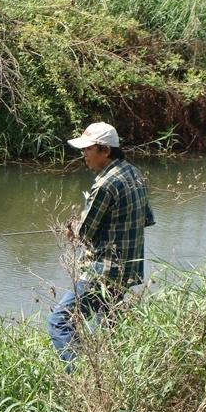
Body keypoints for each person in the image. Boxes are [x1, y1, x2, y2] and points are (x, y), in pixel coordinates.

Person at [48, 121, 155, 365]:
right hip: (127, 271)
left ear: (105, 151)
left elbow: (84, 233)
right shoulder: (134, 173)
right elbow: (147, 219)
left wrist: (71, 228)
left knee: (60, 321)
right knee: (106, 331)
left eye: (88, 149)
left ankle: (80, 377)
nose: (83, 155)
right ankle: (105, 380)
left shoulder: (106, 184)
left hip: (102, 273)